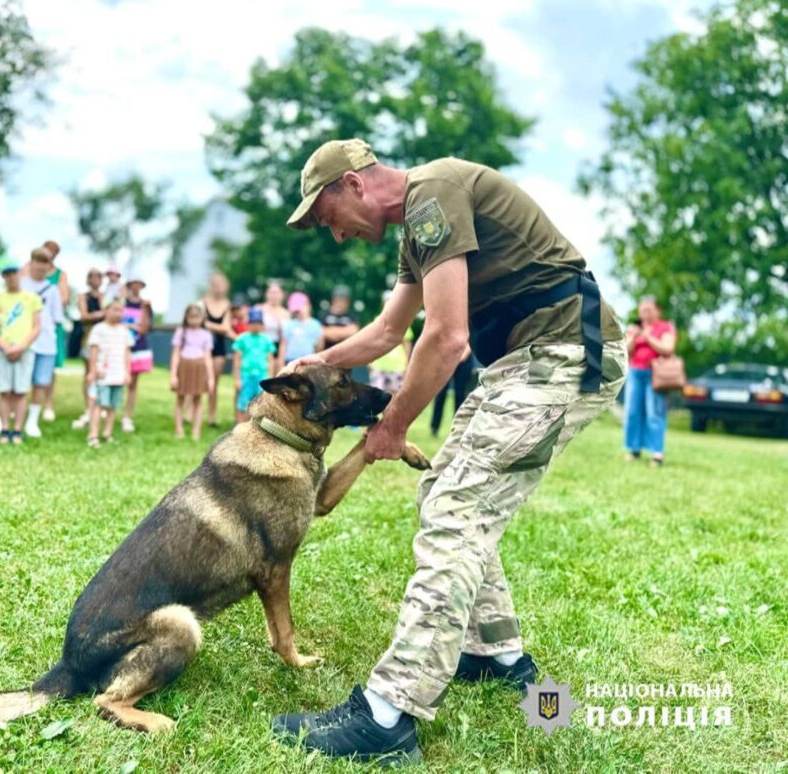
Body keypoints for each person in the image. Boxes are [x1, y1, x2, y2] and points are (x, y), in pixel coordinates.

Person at [271, 138, 627, 763]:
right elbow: (389, 331)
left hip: (563, 356)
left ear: (353, 185)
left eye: (327, 218)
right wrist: (318, 361)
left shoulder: (434, 192)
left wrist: (391, 427)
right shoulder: (418, 231)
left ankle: (388, 715)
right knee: (443, 492)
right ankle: (497, 655)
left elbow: (447, 336)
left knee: (455, 514)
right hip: (531, 361)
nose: (335, 236)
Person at [0, 262, 42, 445]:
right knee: (5, 391)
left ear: (21, 274)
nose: (11, 277)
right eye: (7, 274)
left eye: (14, 273)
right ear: (3, 277)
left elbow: (37, 326)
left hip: (24, 351)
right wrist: (3, 345)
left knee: (21, 391)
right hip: (3, 350)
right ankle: (4, 428)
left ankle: (17, 429)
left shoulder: (31, 298)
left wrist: (22, 346)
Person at [19, 247, 65, 438]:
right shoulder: (21, 285)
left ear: (49, 267)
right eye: (36, 261)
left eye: (44, 263)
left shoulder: (53, 291)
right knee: (19, 383)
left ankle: (33, 420)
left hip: (45, 343)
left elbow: (57, 318)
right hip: (23, 341)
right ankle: (10, 416)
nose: (39, 266)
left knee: (40, 382)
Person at [624, 296, 676, 466]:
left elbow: (668, 349)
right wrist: (633, 337)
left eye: (649, 309)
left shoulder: (665, 327)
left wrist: (648, 338)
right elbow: (626, 352)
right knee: (632, 412)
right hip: (635, 372)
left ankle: (657, 452)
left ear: (658, 311)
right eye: (643, 310)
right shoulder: (634, 328)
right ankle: (634, 448)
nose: (645, 313)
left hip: (656, 374)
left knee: (655, 413)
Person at [85, 299, 132, 447]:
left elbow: (127, 353)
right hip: (103, 375)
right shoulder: (99, 329)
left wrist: (127, 372)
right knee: (100, 404)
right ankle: (93, 434)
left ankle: (107, 432)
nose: (118, 313)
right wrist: (92, 371)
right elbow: (93, 352)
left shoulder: (124, 331)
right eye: (114, 309)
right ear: (106, 310)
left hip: (118, 374)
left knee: (113, 405)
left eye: (120, 310)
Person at [36, 240, 70, 422]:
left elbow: (64, 299)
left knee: (50, 367)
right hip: (30, 324)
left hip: (50, 325)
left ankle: (47, 403)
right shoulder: (28, 270)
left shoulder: (60, 275)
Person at [170, 303, 215, 440]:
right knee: (180, 398)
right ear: (186, 317)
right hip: (184, 366)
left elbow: (208, 356)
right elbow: (176, 354)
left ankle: (196, 431)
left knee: (197, 399)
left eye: (197, 317)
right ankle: (179, 429)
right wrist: (173, 375)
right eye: (191, 317)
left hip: (199, 367)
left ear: (202, 318)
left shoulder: (206, 334)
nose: (194, 321)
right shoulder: (181, 332)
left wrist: (210, 377)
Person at [71, 268, 107, 431]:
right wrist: (102, 313)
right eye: (92, 276)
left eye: (99, 276)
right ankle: (88, 408)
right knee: (89, 373)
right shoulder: (82, 296)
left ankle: (102, 406)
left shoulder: (105, 297)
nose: (96, 279)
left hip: (105, 340)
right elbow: (84, 316)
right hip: (88, 337)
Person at [231, 307, 275, 424]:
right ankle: (241, 425)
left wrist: (270, 377)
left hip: (262, 375)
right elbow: (237, 359)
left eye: (258, 323)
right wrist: (237, 378)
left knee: (261, 402)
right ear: (248, 323)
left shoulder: (266, 340)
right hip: (246, 375)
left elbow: (270, 360)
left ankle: (258, 426)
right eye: (253, 323)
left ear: (262, 325)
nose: (255, 326)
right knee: (243, 401)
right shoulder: (242, 339)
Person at [120, 278, 153, 433]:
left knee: (132, 384)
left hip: (137, 347)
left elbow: (145, 328)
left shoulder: (145, 305)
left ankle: (127, 416)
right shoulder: (121, 301)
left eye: (139, 283)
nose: (136, 286)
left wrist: (146, 309)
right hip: (119, 347)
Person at [201, 272, 233, 427]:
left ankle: (212, 416)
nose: (218, 288)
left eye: (221, 285)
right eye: (216, 285)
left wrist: (207, 324)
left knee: (213, 383)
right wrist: (216, 327)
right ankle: (193, 413)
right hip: (201, 347)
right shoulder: (203, 302)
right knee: (199, 381)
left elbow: (226, 328)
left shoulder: (227, 305)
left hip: (218, 348)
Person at [430, 351, 476, 437]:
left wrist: (462, 356)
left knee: (460, 396)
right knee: (440, 394)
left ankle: (458, 428)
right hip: (446, 359)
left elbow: (469, 341)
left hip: (464, 361)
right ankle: (434, 427)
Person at [278, 291, 323, 369]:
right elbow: (283, 345)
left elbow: (319, 346)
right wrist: (280, 364)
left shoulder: (315, 325)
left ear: (308, 305)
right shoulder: (289, 324)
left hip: (308, 362)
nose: (298, 312)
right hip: (290, 361)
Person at [259, 281, 289, 369]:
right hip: (261, 346)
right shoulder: (259, 309)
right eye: (271, 292)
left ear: (282, 295)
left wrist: (281, 357)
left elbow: (285, 338)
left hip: (278, 346)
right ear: (266, 294)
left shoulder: (286, 313)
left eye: (277, 293)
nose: (274, 295)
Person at [320, 285, 359, 350]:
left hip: (347, 352)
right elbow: (320, 332)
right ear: (333, 299)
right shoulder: (324, 314)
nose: (341, 302)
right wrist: (344, 332)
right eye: (339, 299)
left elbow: (353, 331)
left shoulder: (351, 315)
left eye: (344, 299)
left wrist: (331, 330)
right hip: (326, 352)